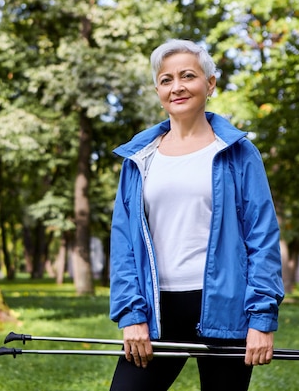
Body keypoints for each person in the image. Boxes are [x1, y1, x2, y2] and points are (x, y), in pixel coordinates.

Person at [108, 39, 284, 391]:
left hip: (225, 307)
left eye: (187, 76)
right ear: (158, 89)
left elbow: (262, 237)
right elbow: (123, 242)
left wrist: (262, 318)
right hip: (156, 312)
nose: (177, 87)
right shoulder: (139, 159)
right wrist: (131, 316)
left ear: (210, 83)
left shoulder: (239, 153)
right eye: (166, 79)